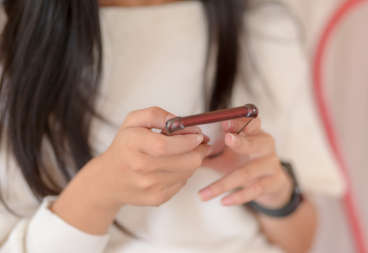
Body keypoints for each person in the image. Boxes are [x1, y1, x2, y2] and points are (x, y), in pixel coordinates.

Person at [0, 0, 343, 253]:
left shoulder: (263, 25)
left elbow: (300, 242)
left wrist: (275, 194)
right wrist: (98, 192)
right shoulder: (10, 39)